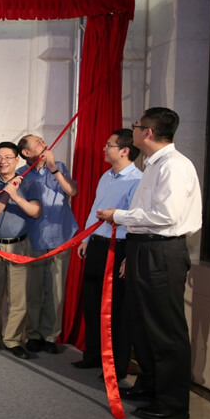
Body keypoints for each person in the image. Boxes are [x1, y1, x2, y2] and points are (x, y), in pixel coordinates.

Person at [98, 108, 201, 419]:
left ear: (148, 132)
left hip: (162, 251)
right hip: (144, 247)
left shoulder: (174, 166)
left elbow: (166, 216)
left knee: (164, 327)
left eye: (137, 126)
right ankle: (150, 384)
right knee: (142, 323)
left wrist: (118, 215)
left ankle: (172, 402)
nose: (134, 130)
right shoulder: (154, 164)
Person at [73, 129, 141, 378]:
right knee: (91, 301)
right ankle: (92, 355)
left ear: (124, 150)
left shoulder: (138, 180)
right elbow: (96, 208)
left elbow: (136, 221)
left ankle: (116, 365)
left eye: (109, 145)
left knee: (115, 308)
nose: (104, 148)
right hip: (97, 244)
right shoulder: (106, 176)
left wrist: (128, 256)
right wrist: (86, 238)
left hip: (119, 247)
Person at [17, 134, 79, 354]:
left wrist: (53, 168)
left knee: (56, 291)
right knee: (33, 290)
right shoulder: (21, 174)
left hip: (61, 237)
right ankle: (33, 334)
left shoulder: (58, 166)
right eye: (38, 143)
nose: (44, 144)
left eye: (43, 141)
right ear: (26, 153)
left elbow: (72, 191)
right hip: (33, 238)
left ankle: (51, 335)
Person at [0, 142, 41, 360]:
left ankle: (14, 340)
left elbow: (35, 212)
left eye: (8, 157)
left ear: (17, 159)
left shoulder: (30, 183)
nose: (2, 161)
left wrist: (16, 195)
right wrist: (6, 193)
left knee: (18, 298)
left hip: (19, 246)